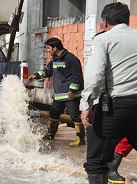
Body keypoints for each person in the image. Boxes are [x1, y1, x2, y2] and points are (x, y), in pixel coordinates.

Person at [80, 2, 137, 183]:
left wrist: (86, 105)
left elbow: (95, 74)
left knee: (96, 162)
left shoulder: (103, 39)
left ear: (105, 22)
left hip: (112, 108)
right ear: (127, 20)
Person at [28, 37, 85, 147]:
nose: (47, 51)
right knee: (54, 114)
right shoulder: (55, 60)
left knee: (74, 116)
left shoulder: (71, 59)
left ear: (55, 48)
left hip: (70, 95)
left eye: (48, 48)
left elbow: (77, 76)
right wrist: (36, 75)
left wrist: (72, 89)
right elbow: (48, 71)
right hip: (59, 95)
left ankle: (80, 139)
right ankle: (50, 135)